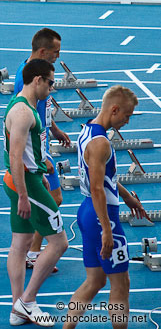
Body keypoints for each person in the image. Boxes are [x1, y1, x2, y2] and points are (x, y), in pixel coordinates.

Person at [63, 86, 148, 329]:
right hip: (103, 218)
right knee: (121, 285)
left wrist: (127, 197)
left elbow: (104, 178)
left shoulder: (87, 130)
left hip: (87, 212)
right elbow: (98, 188)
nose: (127, 121)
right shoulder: (102, 144)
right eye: (127, 115)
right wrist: (107, 231)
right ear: (114, 109)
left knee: (95, 280)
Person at [3, 59, 68, 327]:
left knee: (20, 244)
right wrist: (23, 195)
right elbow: (16, 156)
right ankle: (28, 300)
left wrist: (41, 163)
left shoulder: (24, 105)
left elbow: (24, 152)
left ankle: (17, 308)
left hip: (21, 180)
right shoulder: (23, 113)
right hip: (26, 185)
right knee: (59, 243)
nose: (52, 89)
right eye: (50, 82)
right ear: (38, 79)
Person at [14, 28, 70, 269]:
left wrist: (54, 128)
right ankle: (32, 252)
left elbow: (41, 107)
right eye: (55, 52)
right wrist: (40, 158)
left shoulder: (37, 72)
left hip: (43, 143)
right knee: (52, 198)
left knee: (50, 199)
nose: (58, 56)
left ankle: (32, 251)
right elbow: (24, 120)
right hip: (35, 150)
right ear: (43, 51)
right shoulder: (24, 80)